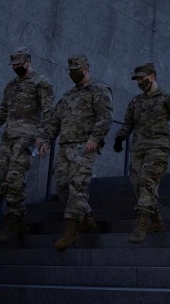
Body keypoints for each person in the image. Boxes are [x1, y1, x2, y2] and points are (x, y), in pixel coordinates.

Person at [35, 55, 113, 250]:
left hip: (85, 146)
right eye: (70, 70)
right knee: (62, 186)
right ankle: (86, 217)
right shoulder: (68, 96)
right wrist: (46, 140)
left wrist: (95, 138)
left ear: (86, 69)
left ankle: (71, 231)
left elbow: (105, 117)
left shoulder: (99, 90)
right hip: (65, 148)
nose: (73, 73)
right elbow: (55, 121)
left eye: (76, 69)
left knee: (77, 187)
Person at [113, 63, 170, 244]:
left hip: (158, 147)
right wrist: (120, 138)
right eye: (138, 79)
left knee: (147, 181)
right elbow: (127, 123)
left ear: (153, 76)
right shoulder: (136, 101)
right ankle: (157, 222)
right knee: (137, 185)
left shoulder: (167, 98)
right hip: (138, 149)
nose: (140, 81)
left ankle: (141, 226)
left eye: (143, 77)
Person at [0, 47, 55, 244]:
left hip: (27, 138)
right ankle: (19, 221)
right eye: (13, 65)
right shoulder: (11, 85)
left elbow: (49, 113)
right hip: (8, 137)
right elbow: (3, 111)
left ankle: (13, 224)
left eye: (19, 64)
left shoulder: (41, 82)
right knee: (6, 182)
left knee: (15, 178)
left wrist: (43, 136)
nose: (16, 68)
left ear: (28, 61)